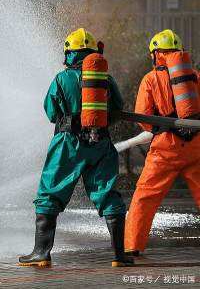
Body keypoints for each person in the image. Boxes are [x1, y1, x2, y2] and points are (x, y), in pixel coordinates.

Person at [18, 28, 133, 267]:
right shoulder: (105, 79)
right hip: (100, 142)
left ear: (70, 53)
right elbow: (118, 109)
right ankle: (119, 256)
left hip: (67, 144)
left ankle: (41, 253)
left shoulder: (62, 79)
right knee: (108, 194)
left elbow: (51, 112)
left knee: (50, 193)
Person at [125, 29, 200, 256]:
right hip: (196, 146)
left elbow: (143, 115)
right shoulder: (195, 76)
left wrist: (160, 131)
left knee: (144, 197)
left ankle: (131, 248)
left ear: (155, 53)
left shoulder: (150, 79)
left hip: (165, 149)